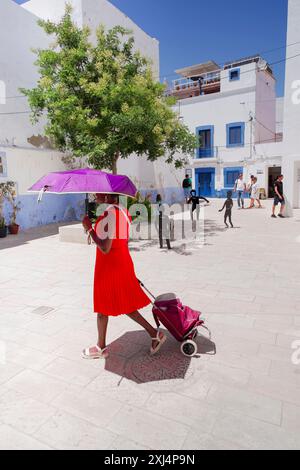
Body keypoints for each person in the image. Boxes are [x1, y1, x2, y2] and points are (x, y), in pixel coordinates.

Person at [82, 193, 167, 359]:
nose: (94, 195)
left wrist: (90, 228)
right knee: (124, 304)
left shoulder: (110, 214)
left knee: (103, 305)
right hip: (121, 261)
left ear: (106, 195)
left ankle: (100, 347)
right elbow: (115, 238)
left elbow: (105, 247)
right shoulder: (122, 211)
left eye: (98, 193)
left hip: (110, 265)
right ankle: (155, 334)